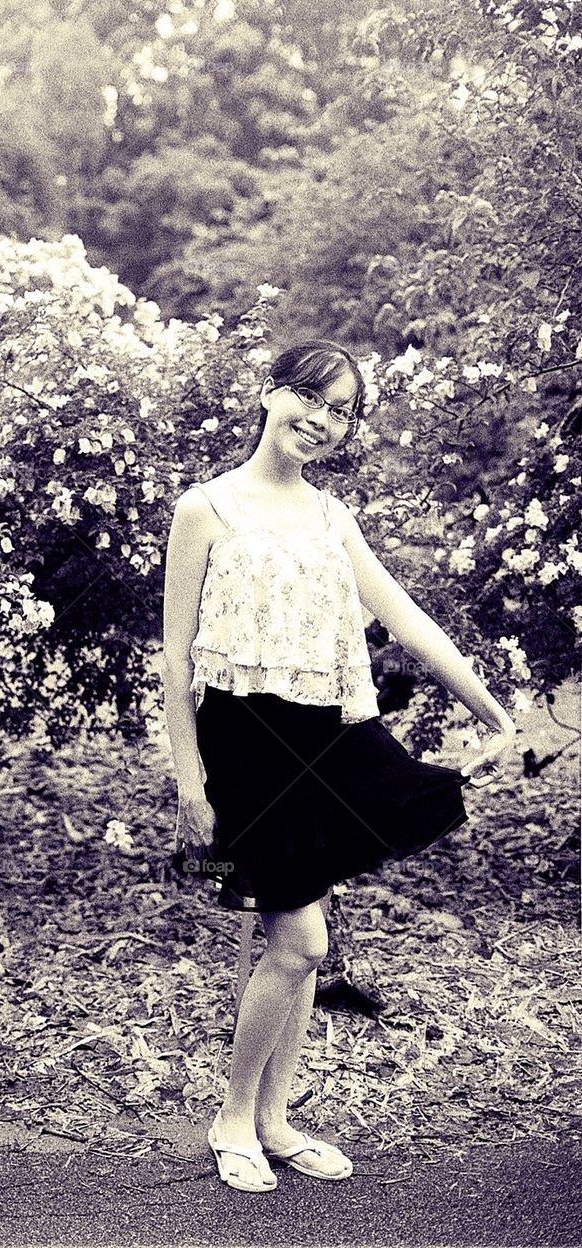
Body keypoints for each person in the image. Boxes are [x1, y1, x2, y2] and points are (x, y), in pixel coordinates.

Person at [161, 340, 516, 1193]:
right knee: (302, 941)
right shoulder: (204, 509)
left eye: (341, 411)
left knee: (300, 945)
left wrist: (490, 710)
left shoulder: (330, 516)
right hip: (245, 740)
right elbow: (175, 661)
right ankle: (231, 1120)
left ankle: (273, 1124)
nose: (320, 421)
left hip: (326, 735)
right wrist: (188, 780)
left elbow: (405, 617)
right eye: (310, 399)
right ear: (269, 393)